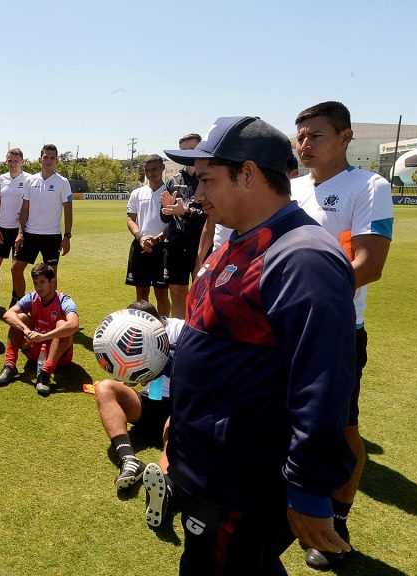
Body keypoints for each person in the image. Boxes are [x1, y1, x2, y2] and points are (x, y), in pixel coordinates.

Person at [163, 115, 356, 574]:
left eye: (207, 181)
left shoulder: (302, 255)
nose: (197, 195)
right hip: (207, 461)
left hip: (243, 480)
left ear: (248, 173)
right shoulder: (238, 240)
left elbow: (323, 385)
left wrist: (309, 489)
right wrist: (180, 421)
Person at [291, 100, 394, 570]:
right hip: (282, 330)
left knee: (341, 431)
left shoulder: (369, 186)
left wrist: (307, 296)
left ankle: (337, 519)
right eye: (301, 136)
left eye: (315, 135)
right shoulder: (290, 189)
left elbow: (369, 264)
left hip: (335, 333)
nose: (304, 144)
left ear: (345, 137)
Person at [92, 300, 183, 495]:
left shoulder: (182, 330)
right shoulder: (129, 335)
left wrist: (160, 365)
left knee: (174, 420)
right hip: (150, 402)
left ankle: (164, 484)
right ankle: (129, 459)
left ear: (157, 322)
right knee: (103, 388)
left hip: (177, 407)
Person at [0, 263, 79, 396]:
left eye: (42, 282)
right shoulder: (32, 297)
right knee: (19, 318)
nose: (38, 287)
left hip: (60, 356)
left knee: (63, 324)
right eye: (36, 283)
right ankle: (10, 366)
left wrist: (44, 336)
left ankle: (45, 373)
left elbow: (74, 325)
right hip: (35, 350)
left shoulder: (64, 300)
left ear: (53, 281)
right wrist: (26, 331)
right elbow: (7, 314)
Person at [13, 144, 73, 300]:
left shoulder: (62, 182)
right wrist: (20, 232)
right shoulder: (30, 180)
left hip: (51, 236)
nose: (48, 160)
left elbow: (68, 210)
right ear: (40, 159)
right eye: (46, 157)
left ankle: (50, 307)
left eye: (52, 158)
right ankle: (20, 302)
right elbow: (24, 208)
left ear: (57, 161)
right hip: (30, 234)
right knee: (16, 269)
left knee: (51, 275)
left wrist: (67, 236)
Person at [160, 135, 206, 319]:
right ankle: (178, 338)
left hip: (201, 246)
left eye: (191, 149)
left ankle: (197, 337)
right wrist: (167, 210)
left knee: (201, 294)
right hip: (175, 246)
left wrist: (185, 211)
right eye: (183, 151)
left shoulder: (208, 178)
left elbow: (213, 216)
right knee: (177, 293)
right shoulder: (173, 180)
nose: (187, 154)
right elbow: (164, 218)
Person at [125, 155, 170, 318]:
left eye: (154, 169)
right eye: (147, 170)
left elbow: (174, 223)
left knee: (161, 293)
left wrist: (158, 238)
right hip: (141, 246)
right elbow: (130, 219)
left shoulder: (169, 193)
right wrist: (141, 238)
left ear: (162, 168)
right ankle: (142, 330)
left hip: (162, 247)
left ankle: (165, 331)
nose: (151, 173)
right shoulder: (137, 193)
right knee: (141, 294)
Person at [0, 148, 29, 308]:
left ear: (22, 161)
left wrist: (22, 231)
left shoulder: (29, 179)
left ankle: (17, 300)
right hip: (2, 229)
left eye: (16, 161)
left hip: (20, 230)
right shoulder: (1, 179)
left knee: (16, 269)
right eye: (10, 161)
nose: (13, 164)